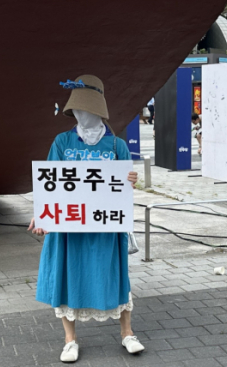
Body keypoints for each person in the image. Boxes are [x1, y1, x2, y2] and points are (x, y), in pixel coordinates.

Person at [28, 75, 145, 362]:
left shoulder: (116, 145)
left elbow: (123, 187)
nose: (83, 114)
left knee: (116, 275)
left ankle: (127, 333)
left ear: (99, 111)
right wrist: (41, 213)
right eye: (78, 110)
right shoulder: (63, 142)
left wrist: (131, 178)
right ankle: (70, 340)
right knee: (68, 276)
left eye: (88, 109)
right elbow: (50, 182)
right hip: (70, 226)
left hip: (104, 227)